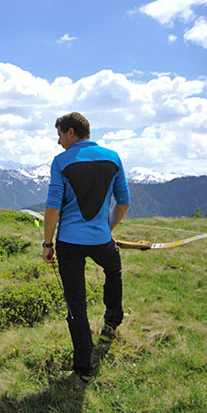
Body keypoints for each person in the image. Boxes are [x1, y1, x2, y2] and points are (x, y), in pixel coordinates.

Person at [41, 112, 131, 383]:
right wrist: (108, 230)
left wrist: (47, 244)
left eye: (59, 135)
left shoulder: (61, 162)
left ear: (71, 132)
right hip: (101, 239)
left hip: (69, 242)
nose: (58, 142)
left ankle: (84, 368)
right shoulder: (113, 157)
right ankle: (112, 321)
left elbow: (53, 207)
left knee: (76, 304)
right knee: (113, 270)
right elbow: (124, 202)